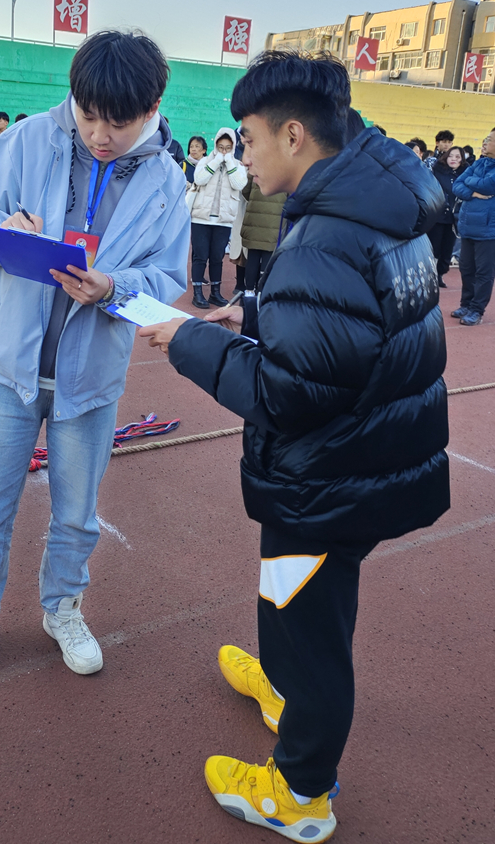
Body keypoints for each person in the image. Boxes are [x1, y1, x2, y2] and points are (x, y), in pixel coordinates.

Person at [139, 51, 449, 842]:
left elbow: (288, 394)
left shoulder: (326, 235)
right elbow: (352, 323)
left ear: (294, 135)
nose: (243, 155)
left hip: (330, 476)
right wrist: (254, 310)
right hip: (368, 459)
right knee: (297, 604)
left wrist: (185, 339)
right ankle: (282, 687)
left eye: (248, 138)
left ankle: (302, 792)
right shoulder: (377, 202)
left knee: (311, 633)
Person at [0, 30, 188, 683]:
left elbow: (168, 276)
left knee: (76, 514)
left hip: (90, 378)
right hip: (8, 367)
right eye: (88, 116)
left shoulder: (167, 181)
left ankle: (63, 608)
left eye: (118, 123)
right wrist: (2, 234)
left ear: (152, 109)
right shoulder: (29, 139)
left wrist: (112, 287)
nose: (99, 135)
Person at [188, 127, 248, 309]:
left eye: (228, 147)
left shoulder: (237, 165)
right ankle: (198, 293)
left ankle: (215, 293)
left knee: (217, 257)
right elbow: (199, 179)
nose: (224, 151)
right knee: (200, 256)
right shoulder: (205, 161)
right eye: (221, 147)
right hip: (201, 218)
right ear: (215, 145)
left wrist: (229, 162)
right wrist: (215, 162)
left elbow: (239, 184)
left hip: (223, 219)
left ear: (233, 147)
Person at [450, 127, 495, 325]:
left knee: (484, 273)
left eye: (489, 140)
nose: (485, 143)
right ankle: (466, 304)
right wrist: (474, 192)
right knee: (466, 269)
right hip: (468, 226)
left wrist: (470, 182)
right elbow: (457, 185)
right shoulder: (479, 163)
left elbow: (488, 185)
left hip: (488, 230)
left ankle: (477, 309)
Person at [238, 176, 287, 293]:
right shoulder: (286, 169)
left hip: (254, 217)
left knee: (252, 257)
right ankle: (261, 292)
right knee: (268, 257)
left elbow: (245, 190)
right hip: (275, 219)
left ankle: (249, 291)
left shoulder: (257, 167)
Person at [428, 146, 467, 287]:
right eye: (451, 156)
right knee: (435, 247)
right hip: (438, 216)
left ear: (462, 160)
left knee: (447, 249)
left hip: (454, 218)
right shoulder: (437, 171)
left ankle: (440, 273)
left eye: (457, 157)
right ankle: (431, 275)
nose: (453, 159)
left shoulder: (465, 175)